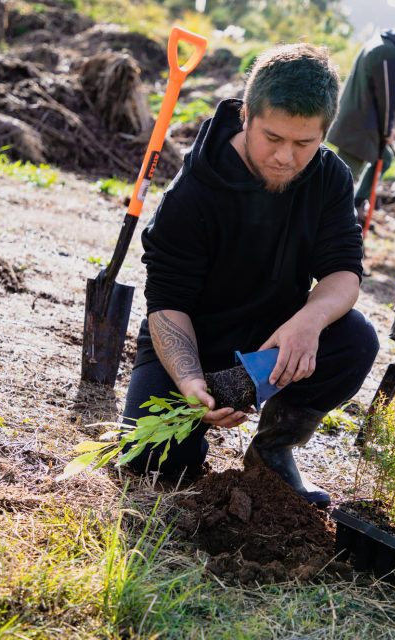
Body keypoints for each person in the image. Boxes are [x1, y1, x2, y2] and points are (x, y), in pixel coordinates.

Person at [122, 43, 380, 507]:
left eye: (304, 143)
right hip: (193, 344)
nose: (285, 157)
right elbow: (166, 304)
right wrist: (190, 383)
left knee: (356, 338)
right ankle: (192, 433)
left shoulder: (331, 178)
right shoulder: (193, 192)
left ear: (325, 131)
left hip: (272, 343)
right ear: (246, 117)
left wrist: (308, 321)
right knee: (152, 460)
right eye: (273, 138)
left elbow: (344, 273)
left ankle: (273, 450)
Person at [326, 21, 395, 221]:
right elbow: (386, 97)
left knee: (383, 159)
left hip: (359, 122)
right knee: (341, 176)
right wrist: (387, 130)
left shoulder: (383, 44)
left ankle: (356, 203)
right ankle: (332, 215)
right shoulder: (389, 54)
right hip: (360, 127)